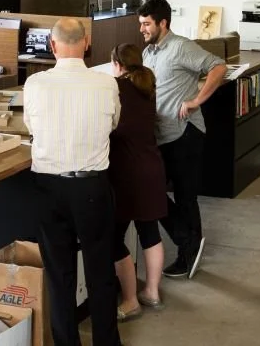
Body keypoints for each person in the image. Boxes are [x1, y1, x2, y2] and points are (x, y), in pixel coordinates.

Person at [24, 19, 124, 346]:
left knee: (59, 274)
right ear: (86, 43)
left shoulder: (36, 84)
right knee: (100, 272)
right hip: (92, 188)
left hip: (48, 188)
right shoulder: (106, 83)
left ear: (52, 46)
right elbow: (113, 123)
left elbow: (31, 126)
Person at [136, 0, 226, 278]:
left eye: (147, 23)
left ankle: (189, 256)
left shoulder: (181, 47)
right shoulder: (148, 53)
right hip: (161, 136)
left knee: (186, 197)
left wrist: (197, 100)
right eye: (140, 24)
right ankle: (189, 242)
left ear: (163, 23)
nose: (142, 29)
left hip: (185, 133)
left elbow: (218, 66)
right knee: (151, 193)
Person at [108, 43, 168, 322]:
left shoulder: (116, 89)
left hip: (125, 173)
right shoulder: (147, 87)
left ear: (117, 65)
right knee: (150, 233)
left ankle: (130, 300)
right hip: (152, 168)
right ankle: (152, 292)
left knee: (113, 237)